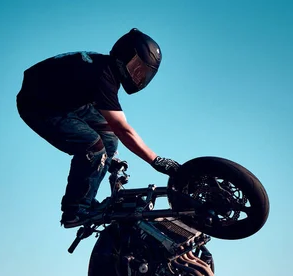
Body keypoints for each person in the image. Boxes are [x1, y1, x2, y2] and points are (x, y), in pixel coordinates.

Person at [17, 28, 180, 228]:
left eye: (143, 73)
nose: (138, 77)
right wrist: (156, 160)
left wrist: (110, 158)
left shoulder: (104, 68)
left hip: (68, 101)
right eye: (136, 68)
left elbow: (115, 129)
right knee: (92, 146)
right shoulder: (104, 75)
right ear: (124, 56)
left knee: (109, 138)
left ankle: (92, 183)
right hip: (39, 106)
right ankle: (75, 211)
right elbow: (123, 128)